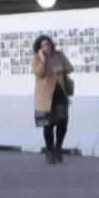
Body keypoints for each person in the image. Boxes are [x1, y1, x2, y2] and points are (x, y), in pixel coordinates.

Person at [31, 35, 74, 163]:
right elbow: (39, 73)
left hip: (60, 93)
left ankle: (58, 147)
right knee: (48, 125)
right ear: (39, 48)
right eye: (43, 45)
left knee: (63, 122)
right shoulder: (37, 58)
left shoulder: (59, 55)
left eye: (48, 44)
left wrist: (59, 69)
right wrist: (43, 60)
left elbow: (70, 68)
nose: (46, 47)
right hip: (45, 96)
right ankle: (49, 150)